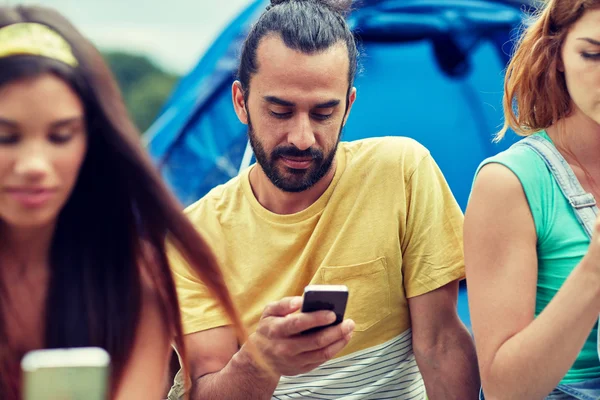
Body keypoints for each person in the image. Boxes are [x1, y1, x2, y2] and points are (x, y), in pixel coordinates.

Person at [168, 0, 479, 399]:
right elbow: (204, 389)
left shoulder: (400, 172)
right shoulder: (195, 234)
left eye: (322, 113)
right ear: (241, 103)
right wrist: (261, 359)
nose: (302, 138)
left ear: (348, 106)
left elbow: (441, 345)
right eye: (280, 111)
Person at [0, 5, 243, 399]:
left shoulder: (132, 280)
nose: (34, 166)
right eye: (6, 137)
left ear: (91, 142)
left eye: (61, 136)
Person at [465, 1, 600, 399]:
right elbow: (505, 389)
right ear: (557, 55)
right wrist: (593, 273)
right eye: (593, 54)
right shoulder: (510, 183)